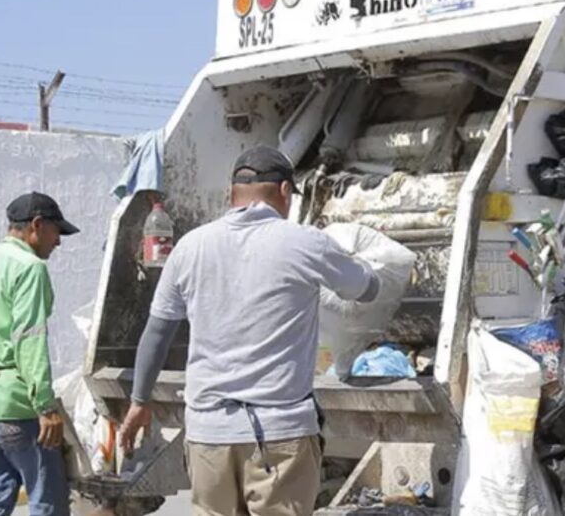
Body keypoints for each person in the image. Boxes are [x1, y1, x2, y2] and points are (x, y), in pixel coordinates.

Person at [118, 146, 379, 516]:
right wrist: (371, 261)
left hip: (208, 433)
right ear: (286, 192)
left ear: (231, 193)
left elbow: (157, 333)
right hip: (279, 435)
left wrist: (139, 403)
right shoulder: (303, 242)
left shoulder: (190, 247)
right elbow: (365, 289)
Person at [0, 192, 80, 516]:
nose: (58, 242)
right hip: (17, 405)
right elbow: (29, 339)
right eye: (56, 231)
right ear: (36, 225)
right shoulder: (29, 268)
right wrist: (45, 407)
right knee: (47, 500)